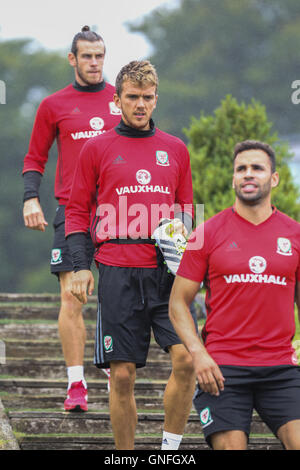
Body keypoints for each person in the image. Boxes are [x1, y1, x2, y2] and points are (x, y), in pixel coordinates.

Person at [65, 60, 197, 450]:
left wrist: (180, 229)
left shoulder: (175, 149)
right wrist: (79, 267)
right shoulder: (96, 148)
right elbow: (76, 211)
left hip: (166, 274)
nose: (141, 105)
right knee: (121, 375)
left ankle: (169, 450)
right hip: (117, 270)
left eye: (148, 97)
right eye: (133, 97)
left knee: (188, 359)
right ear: (117, 100)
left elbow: (186, 206)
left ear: (157, 98)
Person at [169, 140, 300, 450]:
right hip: (222, 369)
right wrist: (198, 353)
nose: (248, 174)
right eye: (241, 169)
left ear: (274, 178)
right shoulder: (207, 234)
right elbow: (177, 304)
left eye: (257, 168)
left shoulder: (295, 234)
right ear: (233, 179)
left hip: (281, 368)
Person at [22, 26, 121, 412]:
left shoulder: (123, 99)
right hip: (73, 210)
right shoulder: (53, 105)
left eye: (100, 55)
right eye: (87, 56)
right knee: (71, 294)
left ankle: (118, 366)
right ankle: (76, 383)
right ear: (72, 59)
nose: (95, 62)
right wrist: (31, 199)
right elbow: (35, 158)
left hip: (120, 212)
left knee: (119, 295)